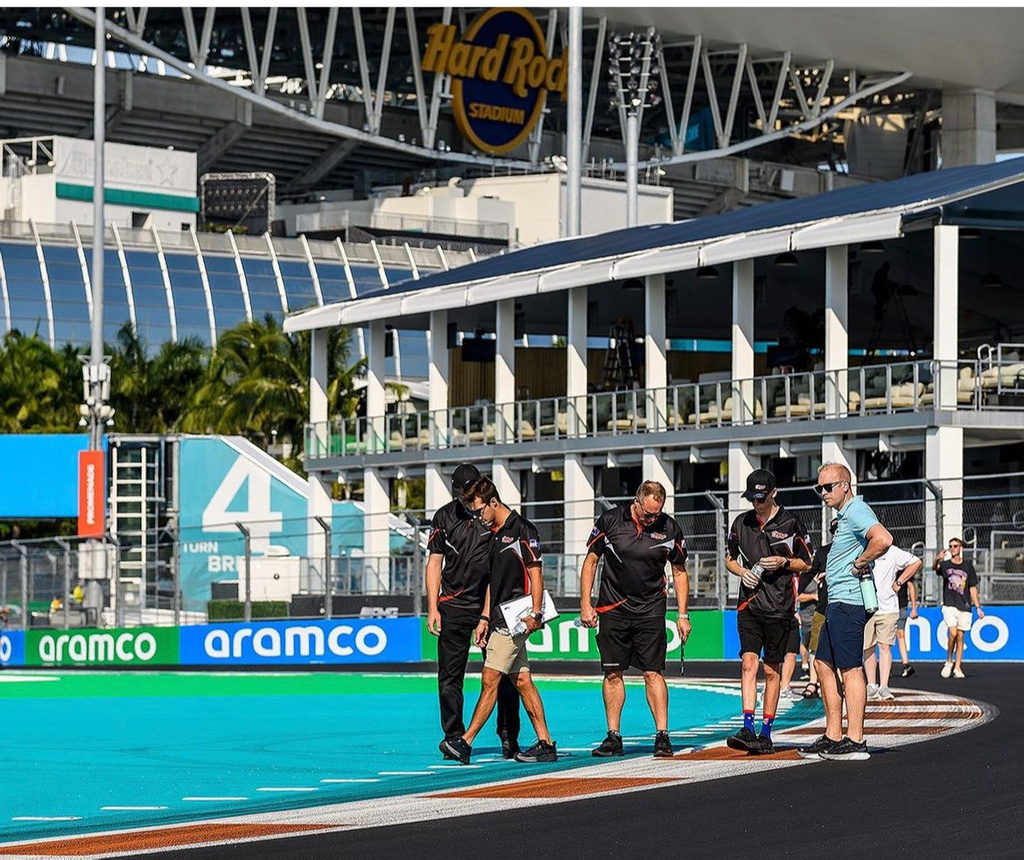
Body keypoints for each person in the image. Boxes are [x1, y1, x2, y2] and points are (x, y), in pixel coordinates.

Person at [440, 476, 556, 765]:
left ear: (494, 502)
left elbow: (535, 573)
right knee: (524, 682)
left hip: (516, 620)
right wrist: (483, 618)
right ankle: (545, 742)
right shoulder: (494, 534)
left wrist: (537, 613)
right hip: (498, 618)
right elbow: (493, 582)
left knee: (490, 681)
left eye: (480, 511)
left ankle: (464, 743)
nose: (478, 518)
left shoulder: (522, 531)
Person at [579, 480, 691, 758]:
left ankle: (662, 736)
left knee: (653, 672)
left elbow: (679, 571)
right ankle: (613, 736)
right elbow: (590, 562)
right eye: (648, 513)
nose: (652, 518)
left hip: (651, 608)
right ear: (637, 502)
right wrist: (585, 604)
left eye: (657, 514)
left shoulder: (670, 527)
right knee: (613, 673)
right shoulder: (610, 520)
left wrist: (683, 613)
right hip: (613, 608)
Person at [426, 463, 521, 760]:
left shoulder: (493, 516)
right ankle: (454, 737)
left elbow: (499, 572)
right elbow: (434, 563)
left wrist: (485, 615)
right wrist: (433, 608)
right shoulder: (444, 516)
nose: (469, 500)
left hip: (492, 609)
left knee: (502, 675)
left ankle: (508, 736)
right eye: (464, 494)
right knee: (449, 677)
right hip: (452, 606)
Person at [798, 463, 892, 762]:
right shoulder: (844, 515)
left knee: (850, 667)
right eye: (819, 488)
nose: (823, 493)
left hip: (850, 602)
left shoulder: (856, 511)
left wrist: (859, 562)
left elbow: (884, 539)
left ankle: (855, 739)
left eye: (828, 487)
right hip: (835, 602)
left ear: (845, 486)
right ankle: (833, 735)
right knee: (823, 664)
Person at [725, 469, 812, 754]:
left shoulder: (791, 523)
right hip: (748, 604)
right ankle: (747, 727)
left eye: (761, 498)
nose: (756, 503)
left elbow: (807, 563)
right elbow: (729, 558)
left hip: (779, 607)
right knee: (748, 663)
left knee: (771, 670)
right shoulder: (741, 522)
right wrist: (742, 572)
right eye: (752, 498)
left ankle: (766, 732)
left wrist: (783, 562)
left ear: (774, 492)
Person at [863, 544, 922, 700]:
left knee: (885, 646)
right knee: (868, 646)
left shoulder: (892, 551)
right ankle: (871, 685)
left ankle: (884, 686)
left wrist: (899, 582)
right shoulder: (862, 548)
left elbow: (916, 561)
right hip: (866, 606)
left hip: (888, 608)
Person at [933, 537, 985, 678]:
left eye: (955, 546)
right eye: (950, 546)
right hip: (950, 604)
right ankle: (949, 660)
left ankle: (957, 667)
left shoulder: (968, 566)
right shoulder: (945, 565)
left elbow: (972, 587)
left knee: (961, 637)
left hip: (965, 604)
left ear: (960, 547)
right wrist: (937, 559)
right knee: (953, 633)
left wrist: (978, 606)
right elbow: (935, 569)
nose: (952, 548)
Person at [894, 563, 919, 677]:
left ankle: (906, 663)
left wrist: (914, 607)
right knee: (887, 639)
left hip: (900, 605)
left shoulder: (902, 568)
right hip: (888, 606)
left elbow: (911, 586)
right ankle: (888, 665)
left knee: (900, 634)